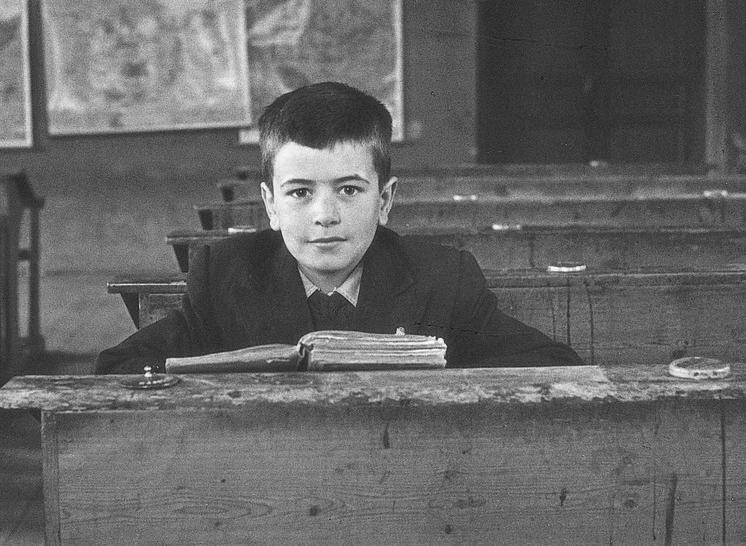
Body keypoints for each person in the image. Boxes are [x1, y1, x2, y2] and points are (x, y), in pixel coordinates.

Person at [95, 81, 582, 374]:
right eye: (300, 192)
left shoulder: (443, 278)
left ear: (385, 199)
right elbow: (115, 369)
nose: (324, 215)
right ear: (270, 205)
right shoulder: (224, 275)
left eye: (348, 190)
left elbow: (555, 363)